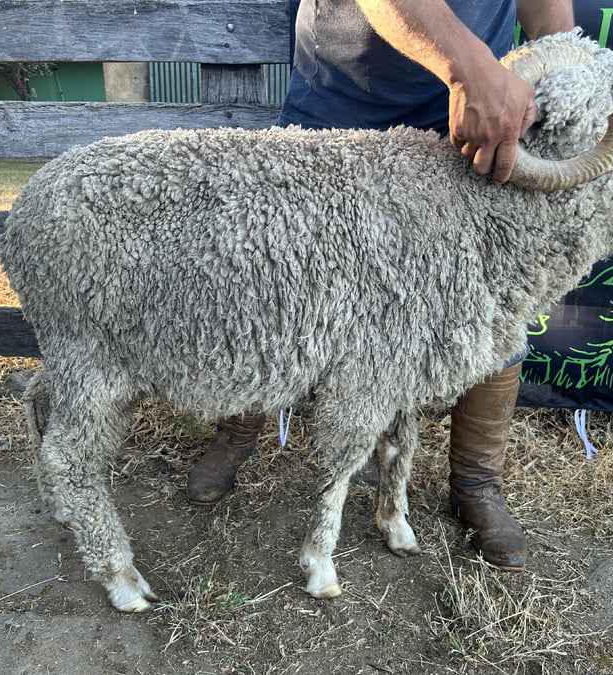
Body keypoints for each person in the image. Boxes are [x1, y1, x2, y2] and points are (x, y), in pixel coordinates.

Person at [187, 0, 574, 571]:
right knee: (275, 287)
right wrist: (472, 69)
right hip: (338, 109)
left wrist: (561, 74)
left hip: (469, 124)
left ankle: (475, 480)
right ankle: (238, 427)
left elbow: (549, 15)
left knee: (491, 295)